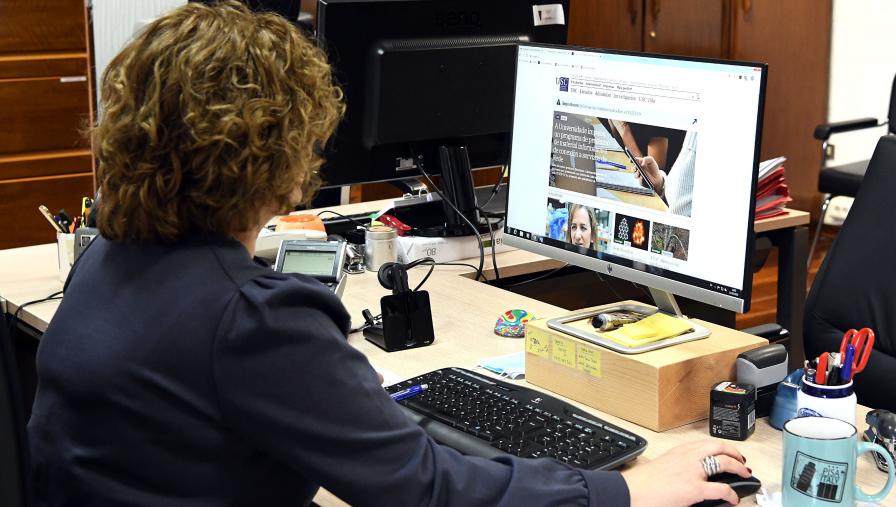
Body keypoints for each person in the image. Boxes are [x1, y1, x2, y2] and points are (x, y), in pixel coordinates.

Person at [26, 2, 751, 506]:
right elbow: (424, 488)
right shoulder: (249, 319)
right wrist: (629, 488)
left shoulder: (105, 261)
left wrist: (333, 392)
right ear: (279, 154)